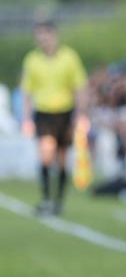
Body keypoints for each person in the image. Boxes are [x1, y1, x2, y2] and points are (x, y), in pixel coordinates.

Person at [20, 21, 88, 215]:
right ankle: (46, 198)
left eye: (45, 35)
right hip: (43, 112)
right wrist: (26, 119)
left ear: (54, 36)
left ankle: (58, 200)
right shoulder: (32, 60)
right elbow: (27, 91)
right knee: (46, 152)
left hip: (64, 112)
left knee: (62, 159)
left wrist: (81, 114)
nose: (42, 39)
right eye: (39, 35)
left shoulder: (69, 57)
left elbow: (78, 87)